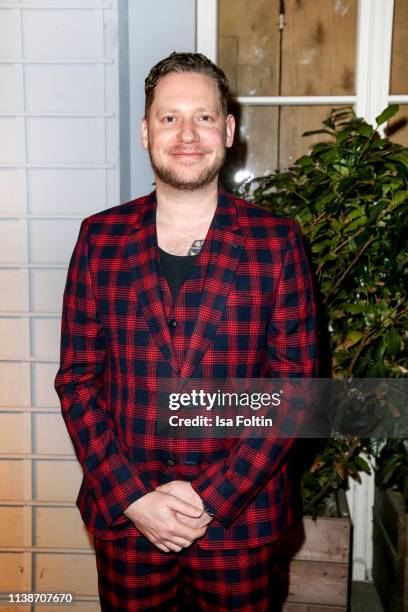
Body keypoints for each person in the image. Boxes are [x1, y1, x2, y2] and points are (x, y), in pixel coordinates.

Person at [55, 52, 317, 611]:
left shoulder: (277, 241)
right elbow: (77, 384)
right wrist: (132, 498)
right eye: (170, 117)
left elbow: (296, 393)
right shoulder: (98, 238)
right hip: (129, 523)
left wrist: (212, 497)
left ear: (227, 129)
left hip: (239, 524)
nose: (187, 134)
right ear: (147, 131)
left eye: (203, 116)